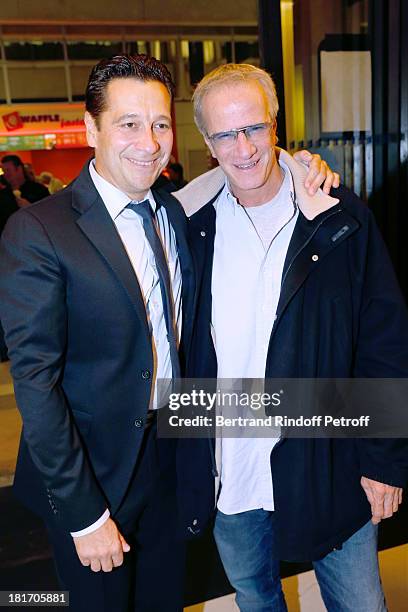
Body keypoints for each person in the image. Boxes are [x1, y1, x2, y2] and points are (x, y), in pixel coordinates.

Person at [0, 54, 336, 611]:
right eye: (128, 124)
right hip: (94, 473)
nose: (149, 142)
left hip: (170, 461)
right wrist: (85, 514)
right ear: (91, 128)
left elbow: (246, 161)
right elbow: (36, 383)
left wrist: (298, 162)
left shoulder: (174, 210)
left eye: (159, 124)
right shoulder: (39, 230)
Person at [174, 63, 408, 612]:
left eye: (254, 127)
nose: (244, 147)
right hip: (230, 469)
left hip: (328, 458)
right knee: (256, 599)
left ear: (275, 125)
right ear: (207, 142)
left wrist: (384, 459)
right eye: (226, 134)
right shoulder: (189, 227)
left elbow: (384, 342)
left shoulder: (336, 216)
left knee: (359, 604)